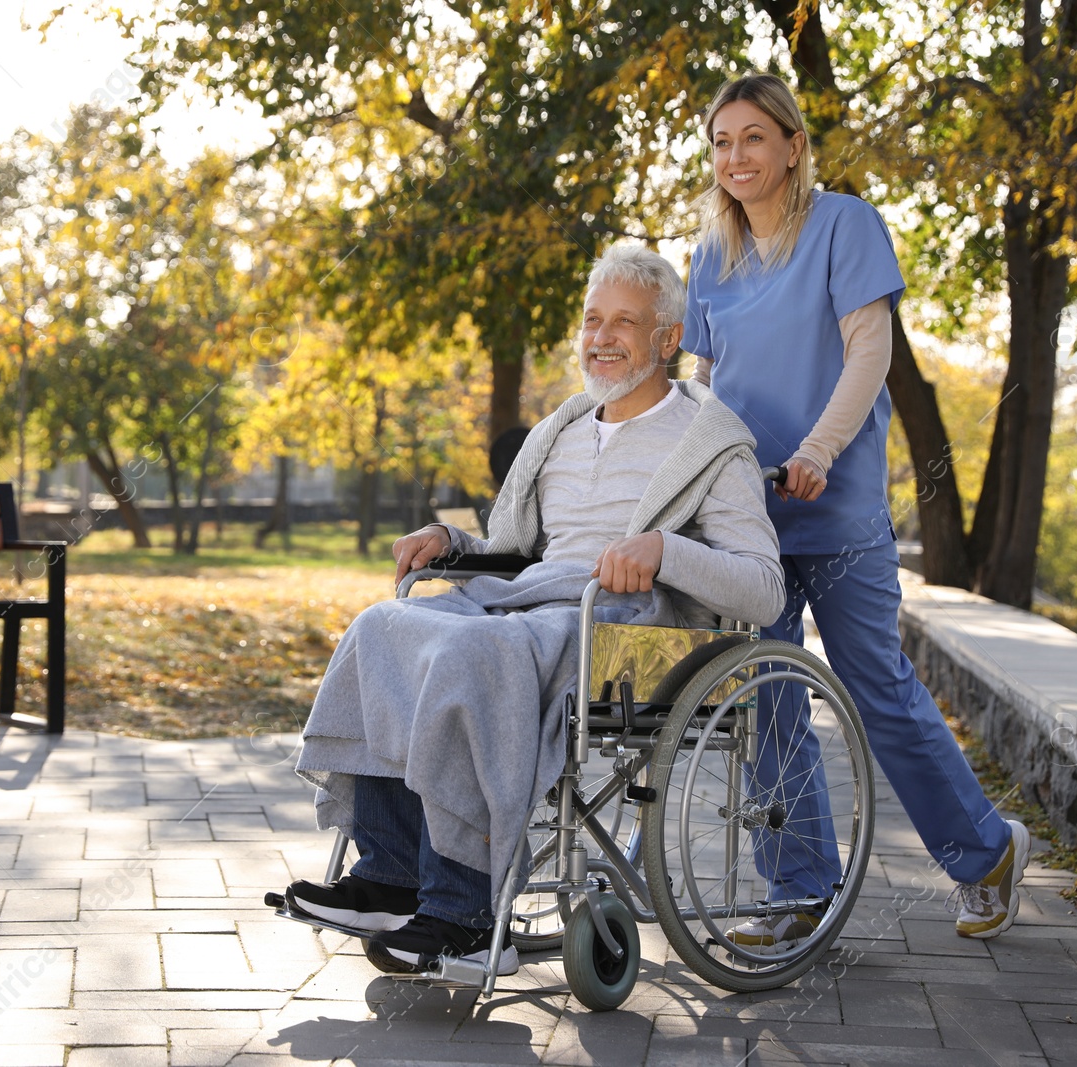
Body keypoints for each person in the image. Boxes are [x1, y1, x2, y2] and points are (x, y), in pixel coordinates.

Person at [284, 244, 786, 976]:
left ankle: (463, 909)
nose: (601, 336)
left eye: (624, 321)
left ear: (667, 339)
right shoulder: (564, 430)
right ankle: (391, 871)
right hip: (530, 602)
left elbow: (764, 587)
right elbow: (514, 549)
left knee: (473, 653)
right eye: (591, 320)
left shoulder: (710, 445)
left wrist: (662, 551)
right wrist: (450, 540)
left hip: (623, 627)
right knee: (381, 628)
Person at [680, 72, 1030, 945]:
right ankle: (802, 890)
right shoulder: (710, 257)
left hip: (833, 509)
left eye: (753, 138)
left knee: (876, 688)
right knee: (764, 696)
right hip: (746, 520)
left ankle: (984, 852)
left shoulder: (844, 224)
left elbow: (868, 352)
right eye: (722, 142)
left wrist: (817, 453)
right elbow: (705, 383)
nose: (736, 157)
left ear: (793, 145)